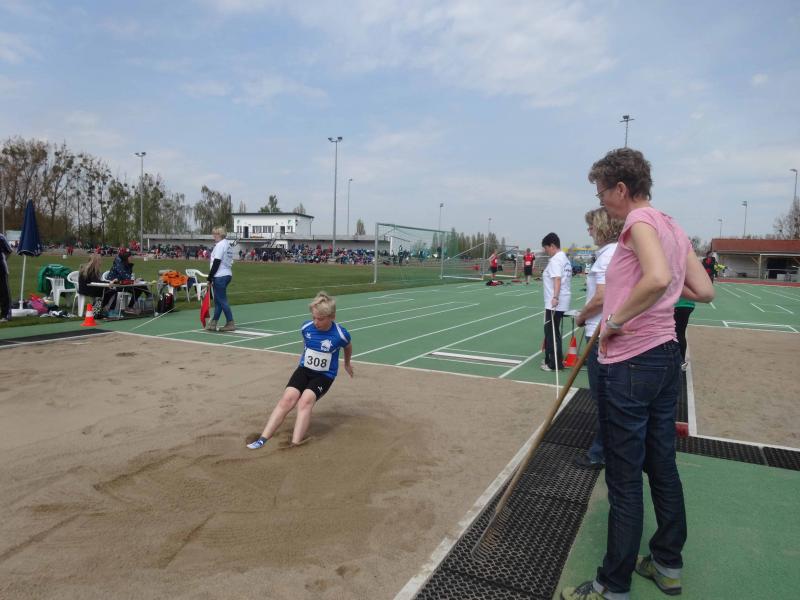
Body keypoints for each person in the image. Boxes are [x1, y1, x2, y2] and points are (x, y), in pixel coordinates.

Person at [561, 148, 714, 600]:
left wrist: (615, 320)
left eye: (602, 193)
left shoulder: (639, 221)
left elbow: (657, 277)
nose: (601, 201)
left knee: (625, 479)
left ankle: (612, 586)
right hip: (665, 357)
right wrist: (659, 288)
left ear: (622, 188)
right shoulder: (673, 226)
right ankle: (667, 564)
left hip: (630, 361)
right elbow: (704, 289)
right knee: (661, 466)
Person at [247, 291, 353, 450]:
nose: (316, 322)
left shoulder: (340, 335)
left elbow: (348, 346)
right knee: (287, 399)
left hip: (324, 375)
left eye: (320, 319)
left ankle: (295, 443)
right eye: (314, 317)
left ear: (332, 317)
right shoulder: (306, 328)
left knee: (305, 401)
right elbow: (307, 345)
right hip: (304, 369)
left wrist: (347, 363)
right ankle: (263, 438)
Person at [573, 208, 623, 470]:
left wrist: (582, 316)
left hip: (599, 332)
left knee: (602, 396)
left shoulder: (608, 257)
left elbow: (602, 297)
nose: (589, 231)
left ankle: (600, 452)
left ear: (603, 227)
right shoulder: (615, 252)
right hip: (605, 329)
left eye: (591, 226)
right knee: (606, 396)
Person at [541, 232, 571, 371]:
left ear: (552, 246)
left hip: (555, 302)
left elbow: (557, 279)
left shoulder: (556, 260)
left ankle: (555, 364)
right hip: (562, 300)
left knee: (551, 332)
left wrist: (555, 297)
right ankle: (550, 359)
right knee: (552, 331)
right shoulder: (564, 258)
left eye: (546, 248)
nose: (545, 251)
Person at [206, 226, 236, 332]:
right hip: (226, 274)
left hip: (220, 276)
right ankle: (213, 322)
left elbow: (216, 262)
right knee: (218, 300)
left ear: (220, 234)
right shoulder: (227, 244)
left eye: (216, 234)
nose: (214, 236)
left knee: (222, 300)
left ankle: (230, 322)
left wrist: (210, 277)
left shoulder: (220, 245)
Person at [107, 249, 150, 314]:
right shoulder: (119, 265)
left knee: (139, 287)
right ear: (126, 258)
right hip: (116, 285)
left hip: (124, 284)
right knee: (140, 285)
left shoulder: (126, 264)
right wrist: (134, 280)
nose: (132, 258)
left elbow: (128, 277)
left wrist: (134, 280)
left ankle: (130, 307)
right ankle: (149, 295)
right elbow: (125, 276)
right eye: (130, 257)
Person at [674, 297, 695, 371]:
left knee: (677, 333)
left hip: (678, 305)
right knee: (681, 333)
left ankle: (680, 361)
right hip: (689, 305)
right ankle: (681, 360)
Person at [0, 233, 12, 321]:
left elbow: (9, 251)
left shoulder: (1, 237)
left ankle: (5, 314)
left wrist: (3, 260)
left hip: (1, 269)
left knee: (3, 292)